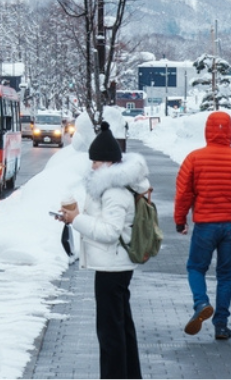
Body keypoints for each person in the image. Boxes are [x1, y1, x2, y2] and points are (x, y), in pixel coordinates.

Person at [57, 121, 148, 379]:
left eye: (95, 161)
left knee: (110, 332)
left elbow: (109, 232)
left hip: (113, 265)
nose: (92, 166)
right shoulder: (112, 188)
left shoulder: (115, 192)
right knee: (121, 327)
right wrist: (73, 216)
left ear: (108, 162)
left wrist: (75, 220)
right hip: (113, 265)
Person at [173, 111, 231, 341]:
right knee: (226, 274)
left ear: (207, 131)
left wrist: (180, 220)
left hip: (205, 225)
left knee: (195, 267)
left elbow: (183, 193)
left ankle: (201, 302)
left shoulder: (194, 158)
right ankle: (221, 325)